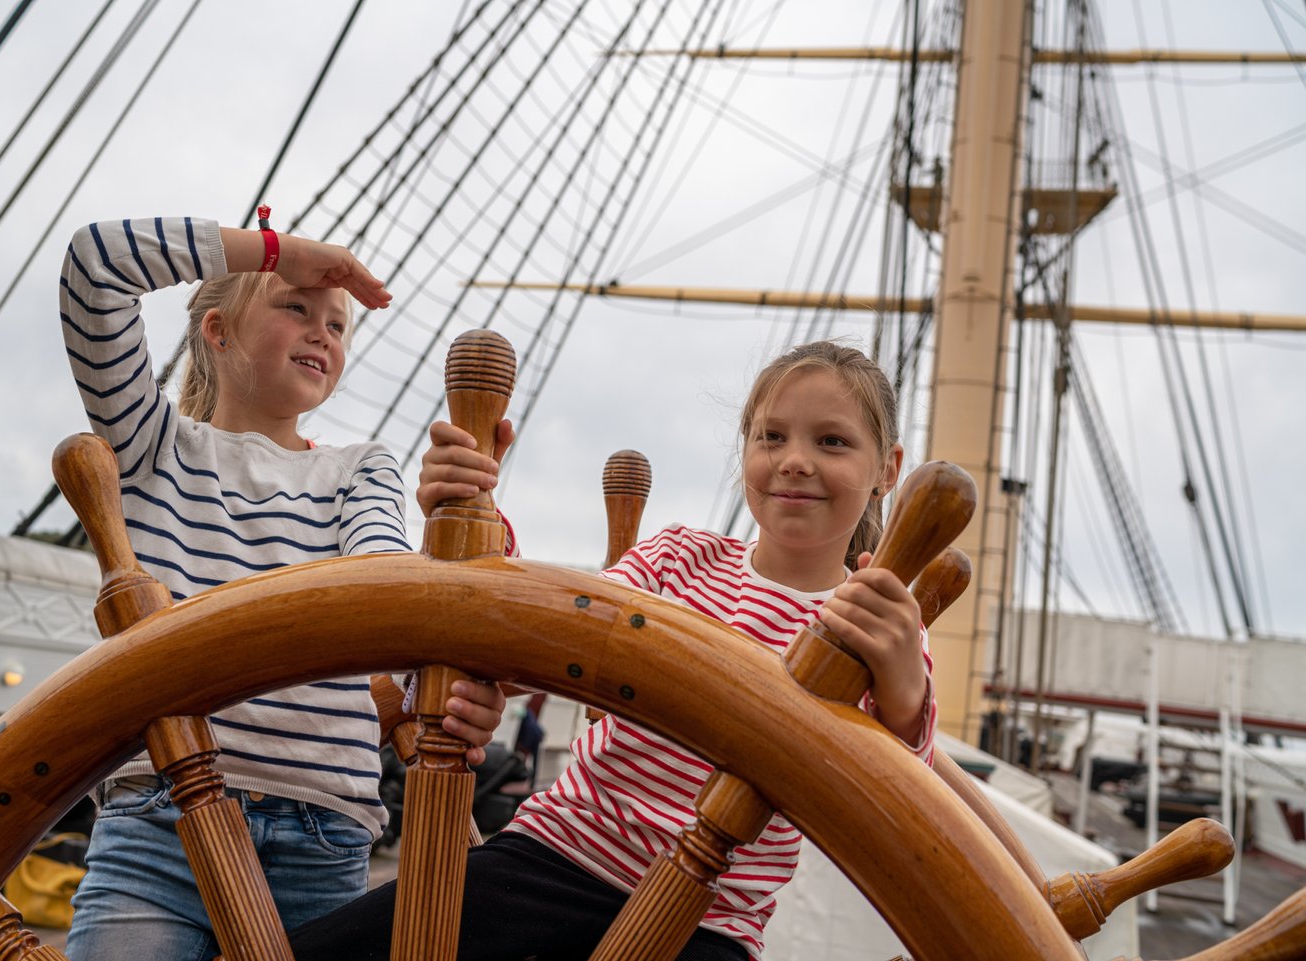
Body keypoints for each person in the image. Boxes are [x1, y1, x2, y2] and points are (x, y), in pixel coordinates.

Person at [289, 340, 937, 961]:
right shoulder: (684, 557)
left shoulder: (878, 627)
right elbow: (553, 627)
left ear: (887, 469)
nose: (795, 458)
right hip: (557, 852)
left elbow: (900, 800)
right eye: (772, 436)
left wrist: (905, 688)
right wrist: (473, 516)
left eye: (831, 441)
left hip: (710, 920)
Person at [58, 215, 507, 961]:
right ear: (217, 331)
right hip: (155, 821)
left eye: (337, 323)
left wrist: (450, 674)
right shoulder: (152, 447)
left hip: (322, 832)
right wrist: (278, 252)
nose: (322, 330)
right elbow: (94, 266)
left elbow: (385, 602)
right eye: (295, 305)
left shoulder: (362, 469)